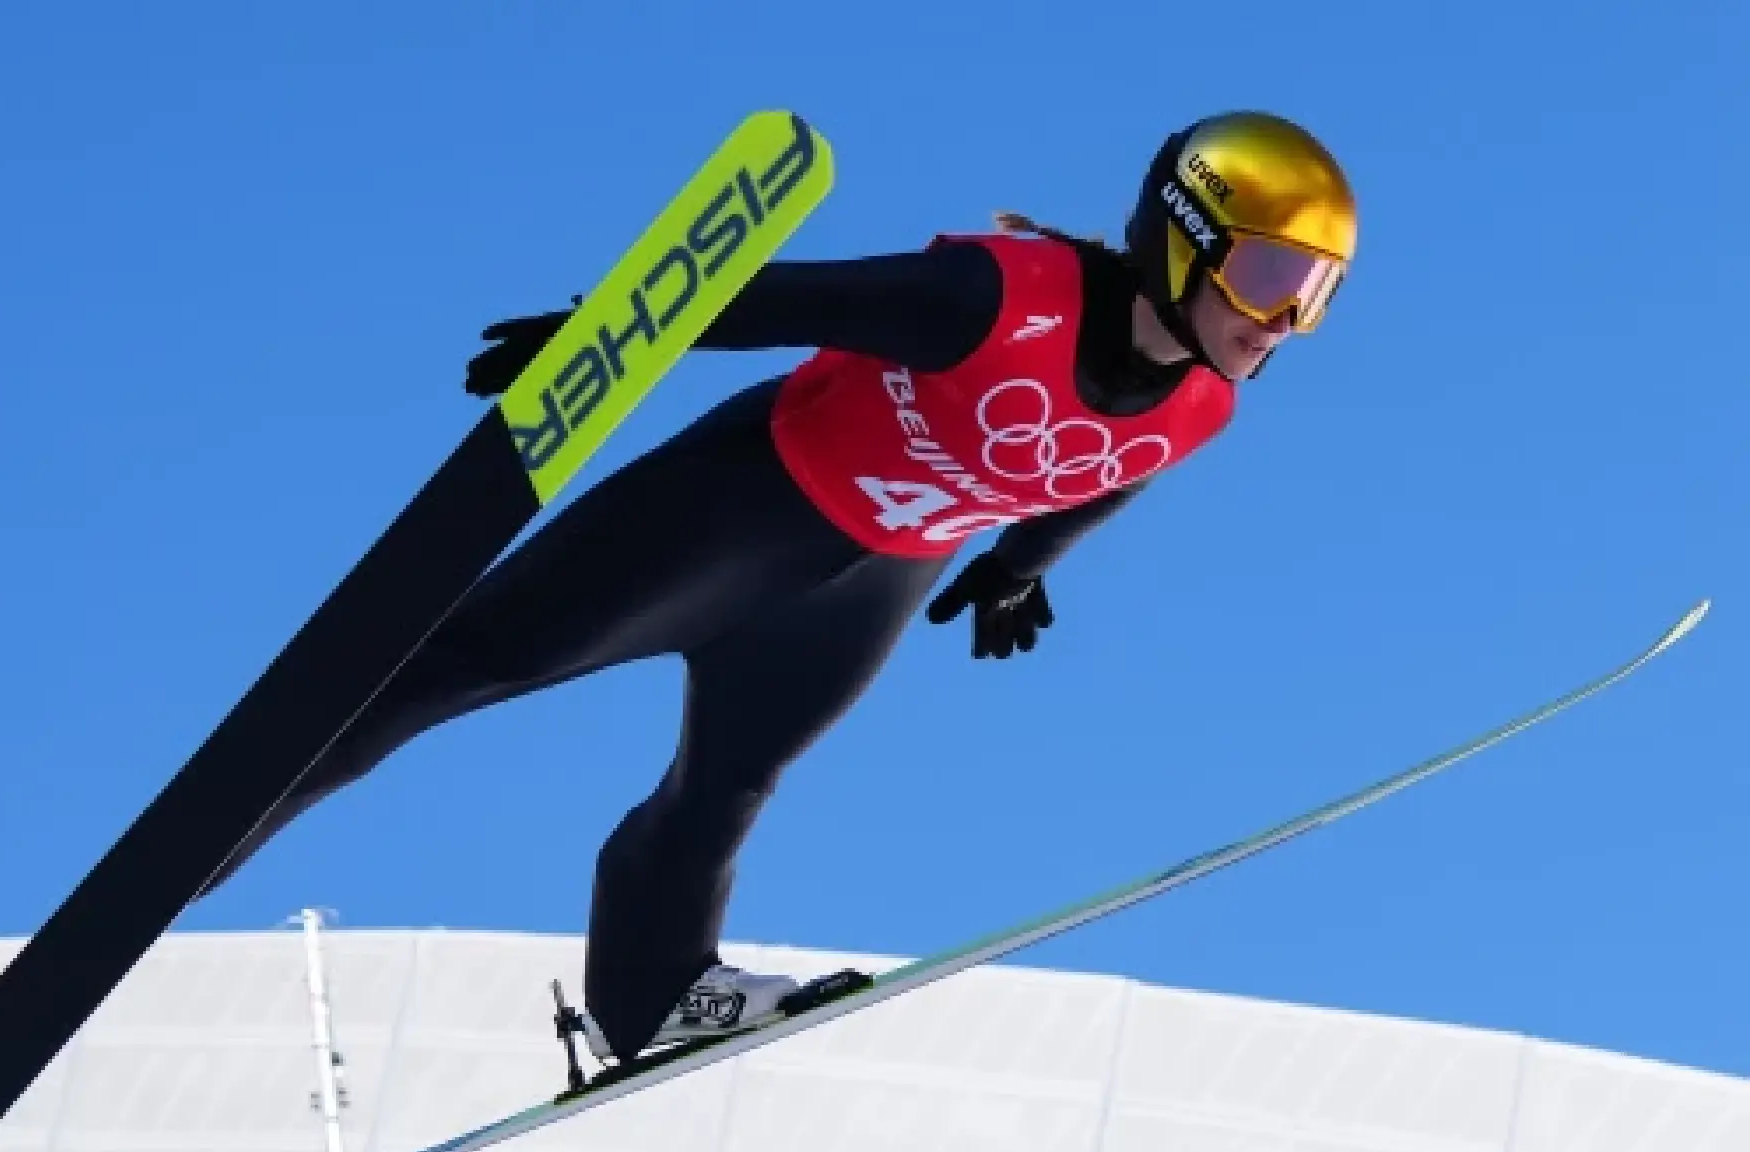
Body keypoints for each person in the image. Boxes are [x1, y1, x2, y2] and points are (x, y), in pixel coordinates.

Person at [209, 109, 1360, 1065]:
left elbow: (1105, 477)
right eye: (1269, 277)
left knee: (726, 783)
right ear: (1181, 239)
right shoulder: (1000, 296)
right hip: (740, 506)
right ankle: (217, 826)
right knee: (475, 662)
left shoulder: (1202, 405)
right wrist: (599, 338)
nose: (1284, 323)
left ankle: (650, 995)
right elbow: (784, 300)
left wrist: (1016, 570)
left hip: (864, 585)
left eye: (1314, 292)